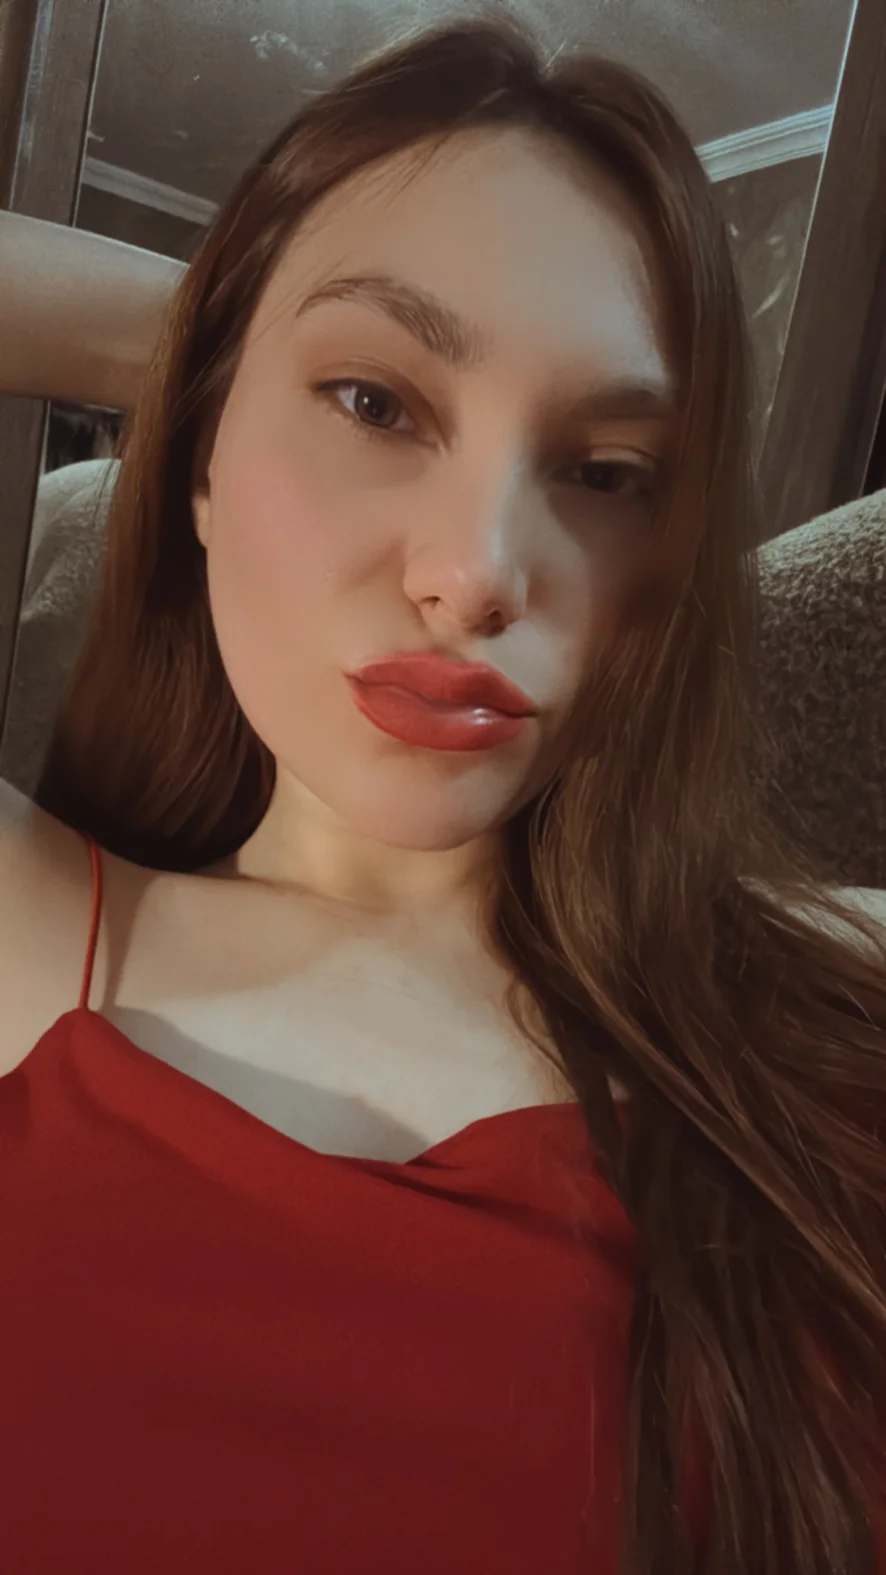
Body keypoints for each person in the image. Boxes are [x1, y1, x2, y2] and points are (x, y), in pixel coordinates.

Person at [0, 15, 884, 1575]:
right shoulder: (36, 942)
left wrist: (300, 369)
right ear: (197, 454)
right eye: (372, 403)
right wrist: (207, 340)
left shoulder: (826, 996)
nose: (475, 574)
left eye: (602, 471)